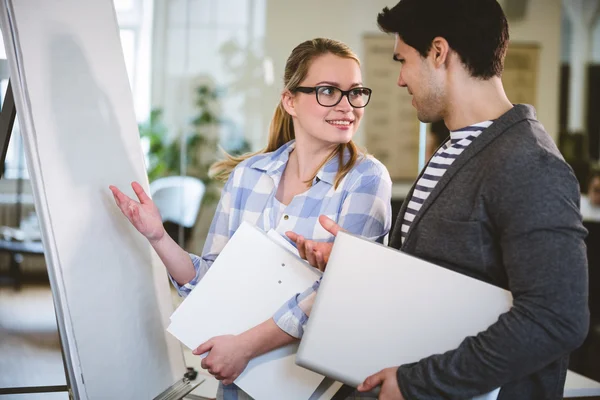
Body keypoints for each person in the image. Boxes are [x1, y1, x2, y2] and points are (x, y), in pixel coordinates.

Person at [286, 1, 589, 399]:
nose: (399, 79)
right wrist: (357, 261)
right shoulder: (455, 148)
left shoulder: (530, 163)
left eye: (403, 60)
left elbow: (556, 318)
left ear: (439, 52)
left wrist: (417, 383)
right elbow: (440, 272)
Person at [109, 38, 392, 400]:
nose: (347, 106)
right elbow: (210, 279)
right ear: (290, 100)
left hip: (310, 387)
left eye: (355, 93)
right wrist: (158, 237)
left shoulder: (366, 179)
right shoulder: (249, 175)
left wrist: (244, 347)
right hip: (240, 380)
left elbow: (337, 295)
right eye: (328, 91)